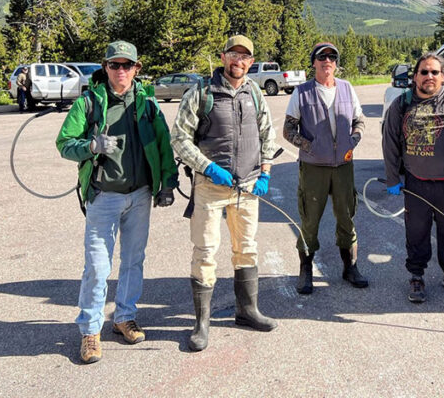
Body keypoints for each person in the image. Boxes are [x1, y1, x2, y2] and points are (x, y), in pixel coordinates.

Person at [55, 40, 178, 364]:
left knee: (134, 261)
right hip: (103, 197)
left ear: (137, 69)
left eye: (127, 65)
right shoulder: (89, 104)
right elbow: (65, 143)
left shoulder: (147, 104)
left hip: (140, 195)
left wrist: (168, 183)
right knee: (97, 267)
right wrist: (91, 146)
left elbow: (164, 145)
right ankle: (90, 332)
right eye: (114, 65)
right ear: (105, 68)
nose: (121, 71)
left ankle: (124, 317)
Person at [171, 34, 279, 353]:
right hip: (210, 187)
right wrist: (207, 167)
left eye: (245, 57)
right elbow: (180, 139)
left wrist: (266, 172)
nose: (239, 62)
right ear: (223, 58)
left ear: (250, 62)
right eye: (234, 55)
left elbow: (267, 134)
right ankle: (201, 323)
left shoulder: (254, 92)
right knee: (205, 251)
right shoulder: (201, 93)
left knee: (246, 248)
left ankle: (247, 311)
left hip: (247, 187)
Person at [382, 52, 444, 303]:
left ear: (443, 77)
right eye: (424, 72)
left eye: (434, 72)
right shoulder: (402, 103)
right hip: (417, 183)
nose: (429, 76)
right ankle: (416, 276)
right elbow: (390, 143)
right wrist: (393, 178)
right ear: (415, 76)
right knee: (417, 232)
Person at [283, 42, 368, 295]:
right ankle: (306, 270)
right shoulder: (302, 92)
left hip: (343, 165)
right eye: (322, 57)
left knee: (346, 217)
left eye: (332, 57)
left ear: (336, 63)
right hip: (313, 168)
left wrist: (353, 140)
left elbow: (359, 120)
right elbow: (288, 129)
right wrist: (309, 146)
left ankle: (350, 267)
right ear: (314, 63)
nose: (327, 61)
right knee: (310, 220)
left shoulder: (347, 88)